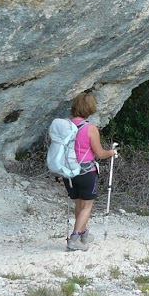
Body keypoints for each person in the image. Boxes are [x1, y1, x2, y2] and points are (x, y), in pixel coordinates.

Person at [63, 92, 118, 251]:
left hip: (68, 172)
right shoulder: (90, 128)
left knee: (79, 204)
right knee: (87, 206)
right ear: (90, 108)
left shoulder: (65, 126)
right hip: (86, 172)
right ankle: (74, 239)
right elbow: (100, 154)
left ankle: (83, 233)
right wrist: (112, 152)